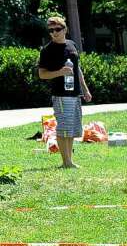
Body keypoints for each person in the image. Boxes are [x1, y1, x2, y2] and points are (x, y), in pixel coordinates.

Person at [37, 16, 92, 168]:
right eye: (51, 30)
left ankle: (70, 161)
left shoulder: (71, 44)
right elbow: (42, 74)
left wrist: (85, 89)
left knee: (72, 127)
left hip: (75, 93)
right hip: (61, 94)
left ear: (65, 29)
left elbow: (77, 69)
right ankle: (66, 162)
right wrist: (60, 72)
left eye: (57, 29)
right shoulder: (47, 50)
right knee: (63, 127)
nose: (54, 33)